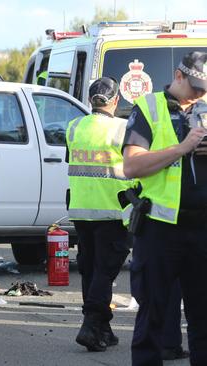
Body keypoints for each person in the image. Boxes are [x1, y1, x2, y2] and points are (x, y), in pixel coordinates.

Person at [122, 51, 207, 366]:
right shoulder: (149, 107)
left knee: (203, 318)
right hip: (160, 229)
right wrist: (182, 149)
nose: (201, 94)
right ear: (179, 75)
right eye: (196, 86)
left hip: (203, 230)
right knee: (153, 316)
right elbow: (131, 166)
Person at [65, 77, 133, 352]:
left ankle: (102, 329)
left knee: (91, 271)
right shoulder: (122, 128)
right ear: (115, 101)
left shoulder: (74, 127)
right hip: (112, 211)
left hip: (82, 211)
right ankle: (92, 325)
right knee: (105, 272)